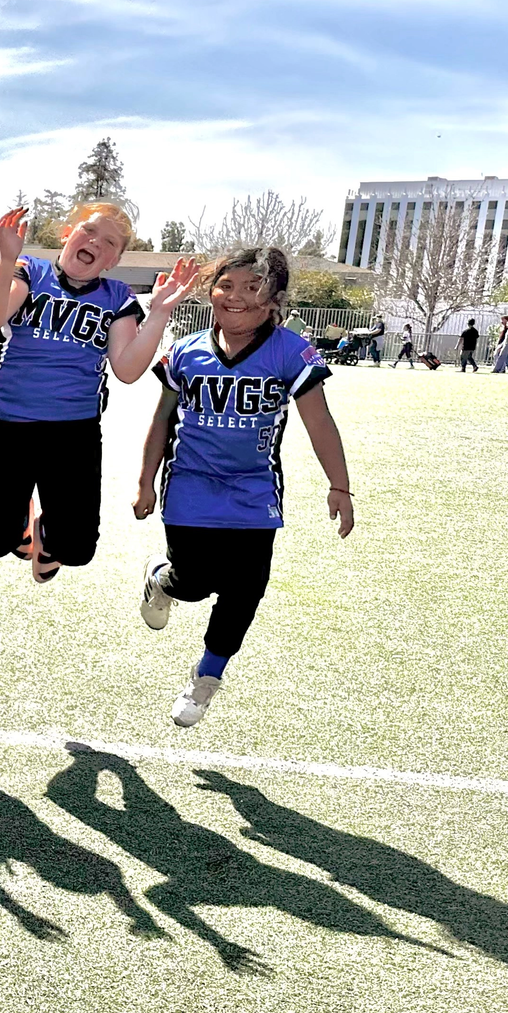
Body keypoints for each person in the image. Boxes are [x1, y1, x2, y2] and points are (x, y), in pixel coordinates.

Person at [135, 246, 354, 727]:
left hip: (255, 491)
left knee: (246, 587)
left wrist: (340, 486)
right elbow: (162, 419)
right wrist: (145, 481)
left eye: (252, 287)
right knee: (194, 584)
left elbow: (319, 421)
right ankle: (162, 580)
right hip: (190, 486)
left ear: (275, 298)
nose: (235, 297)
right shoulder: (187, 351)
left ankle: (206, 677)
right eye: (226, 286)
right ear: (211, 292)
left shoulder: (290, 351)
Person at [0, 202, 195, 581]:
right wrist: (6, 260)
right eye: (89, 231)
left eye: (109, 243)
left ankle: (45, 527)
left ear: (112, 261)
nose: (95, 242)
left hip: (73, 432)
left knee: (76, 551)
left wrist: (158, 314)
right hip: (9, 423)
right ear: (67, 234)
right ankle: (23, 519)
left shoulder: (116, 297)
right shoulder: (30, 272)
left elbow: (126, 369)